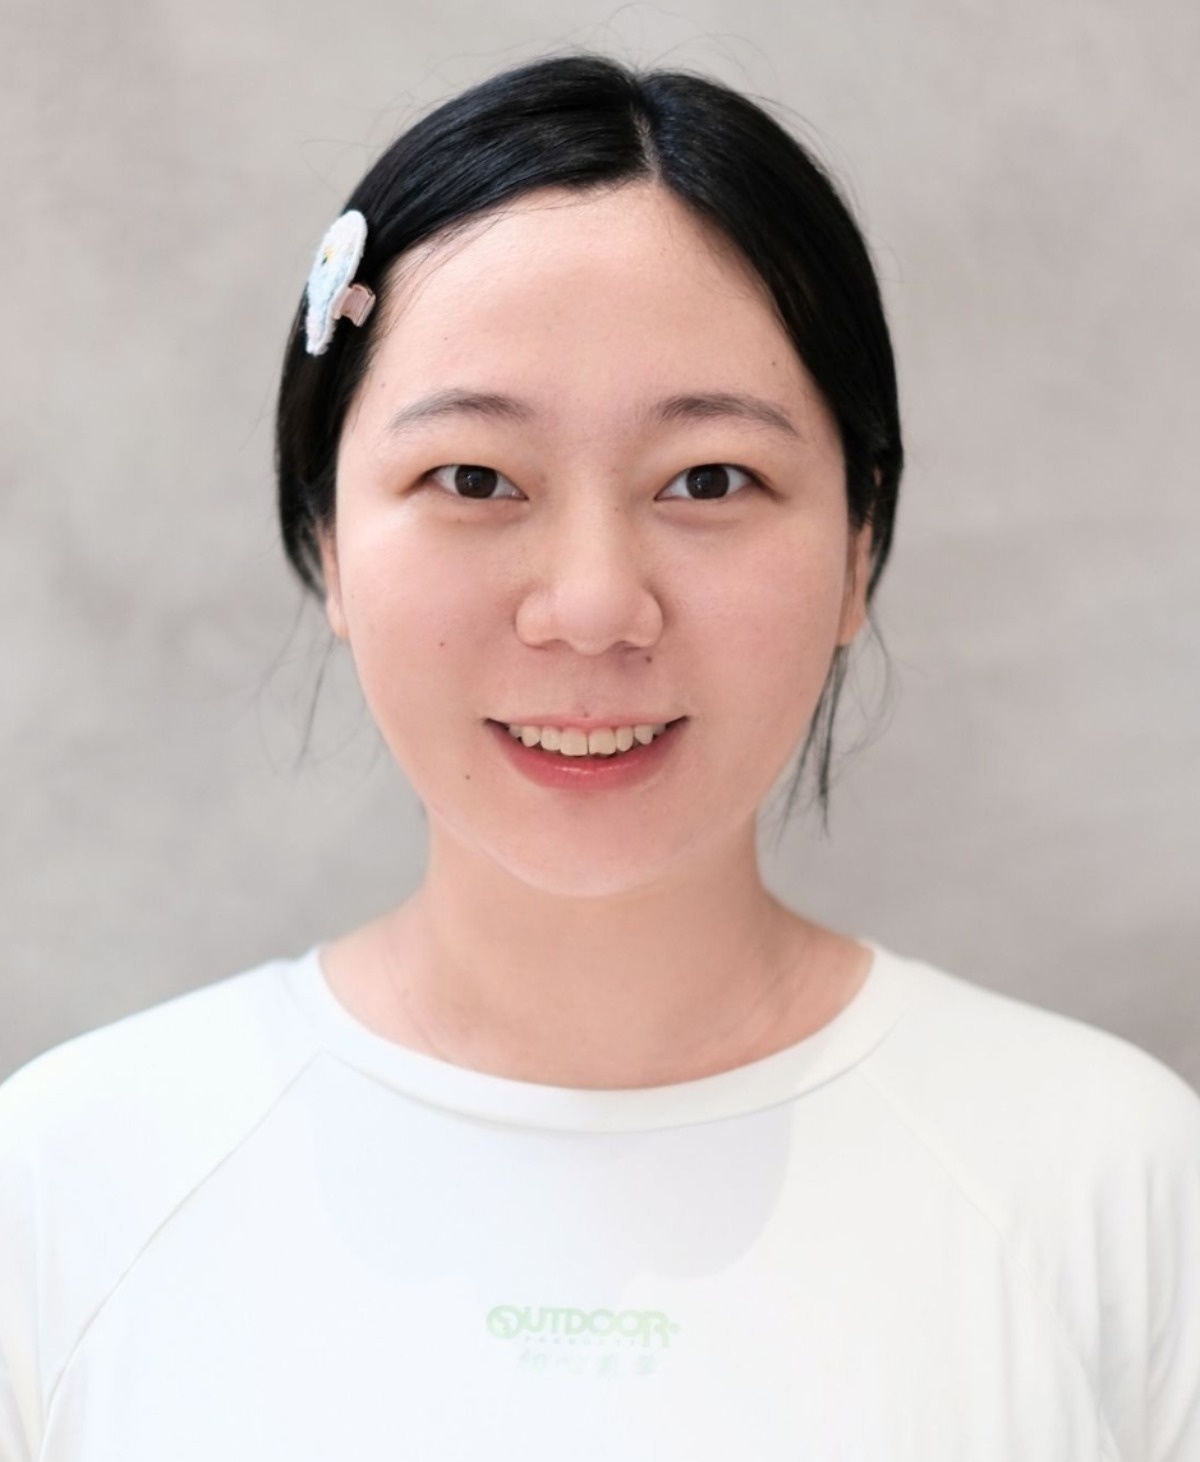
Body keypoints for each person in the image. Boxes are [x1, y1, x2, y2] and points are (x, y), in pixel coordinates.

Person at [1, 51, 1197, 1461]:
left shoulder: (1111, 1184)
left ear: (859, 544)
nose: (590, 606)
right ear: (327, 537)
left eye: (709, 480)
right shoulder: (72, 1185)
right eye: (473, 479)